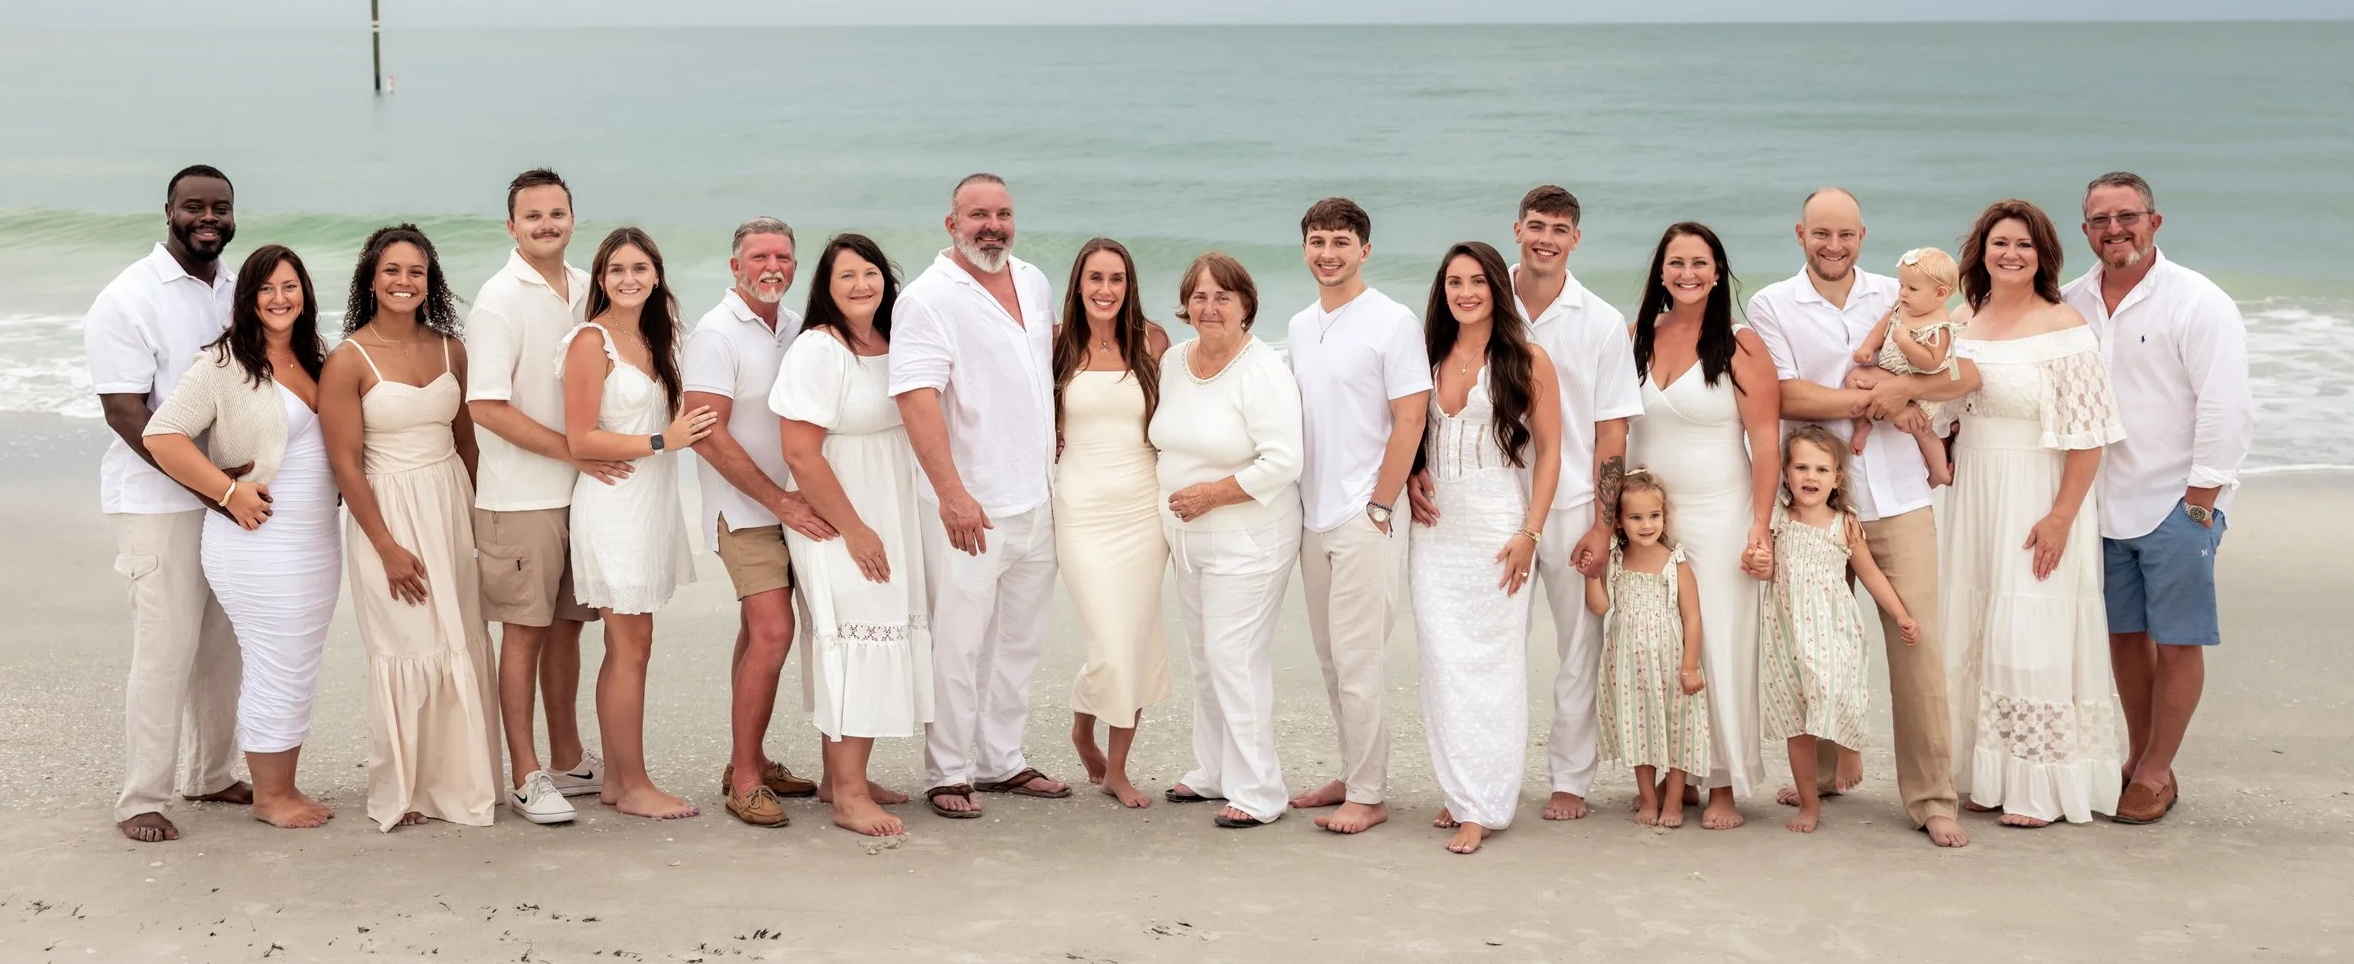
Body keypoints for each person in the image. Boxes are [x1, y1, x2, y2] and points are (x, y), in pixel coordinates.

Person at [1746, 188, 1973, 848]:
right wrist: (1872, 399)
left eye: (1845, 234)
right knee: (1814, 643)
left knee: (1918, 647)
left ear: (1863, 235)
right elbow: (1786, 394)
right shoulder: (1771, 305)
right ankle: (1822, 771)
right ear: (1800, 234)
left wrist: (1902, 388)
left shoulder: (1900, 294)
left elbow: (1959, 371)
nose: (1834, 244)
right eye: (1821, 233)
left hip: (1899, 496)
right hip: (1815, 509)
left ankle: (1932, 799)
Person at [1415, 184, 1644, 823]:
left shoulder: (1597, 322)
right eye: (1536, 225)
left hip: (1570, 503)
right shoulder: (1479, 292)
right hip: (1487, 507)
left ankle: (1569, 777)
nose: (1547, 237)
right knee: (1482, 649)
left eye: (1560, 228)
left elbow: (1611, 430)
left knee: (1578, 645)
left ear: (1576, 239)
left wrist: (1604, 521)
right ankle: (1474, 783)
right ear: (1517, 230)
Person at [2061, 172, 2255, 825]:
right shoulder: (2071, 302)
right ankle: (2140, 756)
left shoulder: (2198, 302)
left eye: (2127, 216)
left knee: (2177, 641)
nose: (2114, 229)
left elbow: (2227, 404)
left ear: (2155, 221)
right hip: (2101, 502)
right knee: (2124, 636)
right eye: (2100, 220)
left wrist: (2200, 500)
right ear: (2085, 230)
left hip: (2177, 499)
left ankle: (2155, 769)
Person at [1938, 198, 2128, 828]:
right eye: (2000, 243)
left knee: (2031, 630)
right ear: (1981, 252)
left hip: (2037, 494)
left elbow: (2089, 435)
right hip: (1974, 497)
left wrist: (2060, 517)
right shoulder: (1962, 319)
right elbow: (1941, 411)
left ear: (2043, 255)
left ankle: (2039, 786)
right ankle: (1985, 775)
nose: (2011, 254)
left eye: (2024, 245)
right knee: (1978, 624)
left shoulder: (2063, 325)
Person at [890, 173, 1072, 817]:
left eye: (1002, 213)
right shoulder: (927, 299)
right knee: (960, 640)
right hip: (969, 503)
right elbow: (916, 399)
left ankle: (1001, 759)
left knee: (1019, 639)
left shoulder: (1033, 280)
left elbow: (1044, 373)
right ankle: (948, 770)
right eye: (977, 215)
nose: (991, 225)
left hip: (1036, 497)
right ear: (951, 224)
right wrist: (951, 492)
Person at [140, 245, 340, 830]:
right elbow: (163, 435)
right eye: (266, 289)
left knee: (298, 662)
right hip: (256, 542)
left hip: (314, 540)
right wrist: (227, 494)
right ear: (247, 298)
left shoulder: (317, 357)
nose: (280, 299)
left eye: (291, 286)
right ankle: (272, 796)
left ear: (305, 293)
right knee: (275, 662)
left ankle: (283, 784)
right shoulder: (224, 364)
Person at [83, 164, 251, 842]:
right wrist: (214, 488)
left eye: (220, 207)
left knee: (222, 647)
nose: (207, 218)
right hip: (155, 504)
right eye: (193, 207)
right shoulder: (127, 298)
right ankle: (141, 797)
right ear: (168, 211)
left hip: (228, 499)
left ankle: (211, 773)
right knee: (165, 649)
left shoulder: (239, 289)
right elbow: (126, 413)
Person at [318, 224, 502, 831]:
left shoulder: (454, 349)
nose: (404, 282)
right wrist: (387, 547)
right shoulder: (348, 359)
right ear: (371, 279)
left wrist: (482, 524)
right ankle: (407, 789)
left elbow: (468, 440)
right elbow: (345, 463)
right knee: (405, 644)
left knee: (460, 637)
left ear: (430, 281)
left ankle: (461, 783)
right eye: (392, 271)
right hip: (387, 511)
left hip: (448, 502)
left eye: (415, 271)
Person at [771, 233, 934, 837]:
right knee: (854, 636)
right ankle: (847, 794)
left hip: (889, 504)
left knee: (875, 631)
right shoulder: (819, 349)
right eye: (847, 277)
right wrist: (855, 529)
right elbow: (800, 452)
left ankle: (848, 775)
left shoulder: (894, 342)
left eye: (871, 273)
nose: (862, 284)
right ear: (826, 289)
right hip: (841, 511)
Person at [1282, 197, 1431, 835]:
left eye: (1341, 241)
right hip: (1310, 516)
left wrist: (1380, 503)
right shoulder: (1297, 325)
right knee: (1328, 657)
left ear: (1364, 249)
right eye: (1318, 240)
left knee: (1360, 657)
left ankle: (1370, 793)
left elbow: (1411, 416)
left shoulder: (1393, 322)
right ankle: (1352, 770)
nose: (1328, 253)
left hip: (1364, 515)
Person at [463, 169, 608, 826]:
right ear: (512, 226)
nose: (547, 225)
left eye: (557, 213)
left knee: (569, 627)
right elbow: (486, 406)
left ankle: (569, 758)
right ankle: (525, 775)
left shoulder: (587, 287)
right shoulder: (498, 299)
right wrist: (572, 450)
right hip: (520, 499)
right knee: (524, 634)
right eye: (533, 216)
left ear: (573, 218)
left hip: (583, 494)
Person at [1407, 241, 1560, 854]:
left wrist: (1531, 533)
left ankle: (1484, 805)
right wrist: (1415, 471)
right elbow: (1408, 429)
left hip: (1498, 527)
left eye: (1476, 281)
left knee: (1492, 669)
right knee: (1442, 664)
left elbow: (1550, 452)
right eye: (1453, 283)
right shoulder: (1428, 354)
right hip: (1435, 531)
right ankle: (1459, 789)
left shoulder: (1528, 358)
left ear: (1498, 286)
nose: (1464, 292)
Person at [681, 217, 835, 827]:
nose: (772, 266)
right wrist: (780, 500)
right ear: (734, 265)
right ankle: (745, 782)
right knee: (773, 632)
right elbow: (705, 434)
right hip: (745, 509)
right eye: (758, 256)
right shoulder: (715, 334)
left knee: (756, 633)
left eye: (783, 256)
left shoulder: (796, 327)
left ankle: (749, 759)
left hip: (794, 502)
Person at [1625, 221, 1779, 830]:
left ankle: (1721, 782)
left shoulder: (1742, 345)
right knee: (1661, 647)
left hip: (1721, 513)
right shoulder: (1638, 335)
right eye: (1676, 263)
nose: (1687, 273)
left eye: (1699, 263)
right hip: (1651, 520)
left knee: (1717, 642)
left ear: (1718, 272)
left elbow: (1765, 441)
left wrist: (1761, 527)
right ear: (1661, 272)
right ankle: (1674, 773)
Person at [559, 227, 715, 821]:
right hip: (613, 504)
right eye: (617, 269)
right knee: (630, 643)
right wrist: (661, 440)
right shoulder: (589, 342)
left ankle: (618, 782)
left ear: (657, 275)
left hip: (652, 503)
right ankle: (634, 784)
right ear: (601, 278)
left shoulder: (662, 336)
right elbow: (580, 437)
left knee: (632, 645)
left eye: (640, 268)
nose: (629, 279)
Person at [1151, 252, 1304, 829]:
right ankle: (1214, 770)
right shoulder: (1172, 361)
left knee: (1233, 657)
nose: (1209, 307)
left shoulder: (1262, 370)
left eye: (1223, 297)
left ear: (1246, 305)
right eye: (1199, 296)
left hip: (1251, 538)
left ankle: (1261, 789)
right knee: (1205, 657)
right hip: (1188, 539)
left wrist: (1212, 494)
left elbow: (1284, 460)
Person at [1051, 238, 1173, 810]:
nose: (1106, 290)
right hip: (1079, 507)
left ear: (1129, 285)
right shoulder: (1055, 343)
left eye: (1117, 279)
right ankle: (1082, 729)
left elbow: (1173, 424)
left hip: (1142, 508)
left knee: (1134, 637)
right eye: (1095, 278)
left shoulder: (1152, 341)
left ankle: (1116, 769)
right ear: (1078, 284)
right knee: (1108, 639)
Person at [1757, 425, 1921, 835]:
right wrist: (1760, 565)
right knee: (1795, 721)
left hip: (1831, 627)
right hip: (1786, 633)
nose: (1810, 477)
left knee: (1836, 690)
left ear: (1837, 478)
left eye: (1821, 469)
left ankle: (1850, 750)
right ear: (1785, 472)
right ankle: (1809, 804)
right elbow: (1769, 569)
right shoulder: (1777, 519)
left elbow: (1870, 575)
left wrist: (1901, 614)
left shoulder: (1843, 524)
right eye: (1801, 467)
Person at [1588, 469, 1708, 829]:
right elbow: (1599, 606)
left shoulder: (1675, 561)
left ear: (1664, 516)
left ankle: (1673, 800)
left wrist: (1690, 667)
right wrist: (1592, 573)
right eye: (1636, 517)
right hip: (1629, 665)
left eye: (1654, 516)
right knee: (1639, 729)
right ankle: (1648, 797)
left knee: (1677, 731)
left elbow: (1693, 618)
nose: (1646, 525)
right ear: (1620, 522)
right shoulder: (1615, 560)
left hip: (1670, 662)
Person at [1845, 248, 1963, 485]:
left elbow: (1932, 362)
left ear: (1940, 294)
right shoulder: (1902, 306)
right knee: (1854, 377)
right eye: (1901, 285)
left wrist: (1905, 342)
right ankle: (1862, 423)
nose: (1903, 293)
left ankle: (1939, 470)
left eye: (1912, 289)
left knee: (1924, 430)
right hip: (1890, 373)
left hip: (1918, 383)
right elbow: (1881, 326)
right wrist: (1867, 348)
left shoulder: (1939, 326)